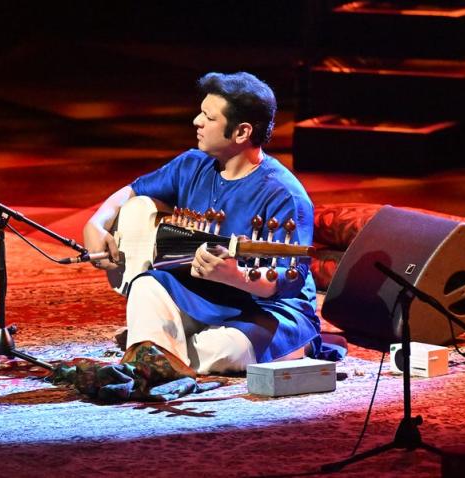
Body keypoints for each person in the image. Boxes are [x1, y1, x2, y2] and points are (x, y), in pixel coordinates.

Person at [83, 71, 339, 376]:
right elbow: (131, 192)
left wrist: (237, 277)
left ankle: (153, 348)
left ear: (242, 132)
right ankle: (158, 350)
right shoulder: (193, 163)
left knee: (224, 350)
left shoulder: (285, 195)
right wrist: (95, 225)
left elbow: (290, 278)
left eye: (208, 116)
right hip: (201, 294)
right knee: (146, 285)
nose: (196, 121)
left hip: (265, 309)